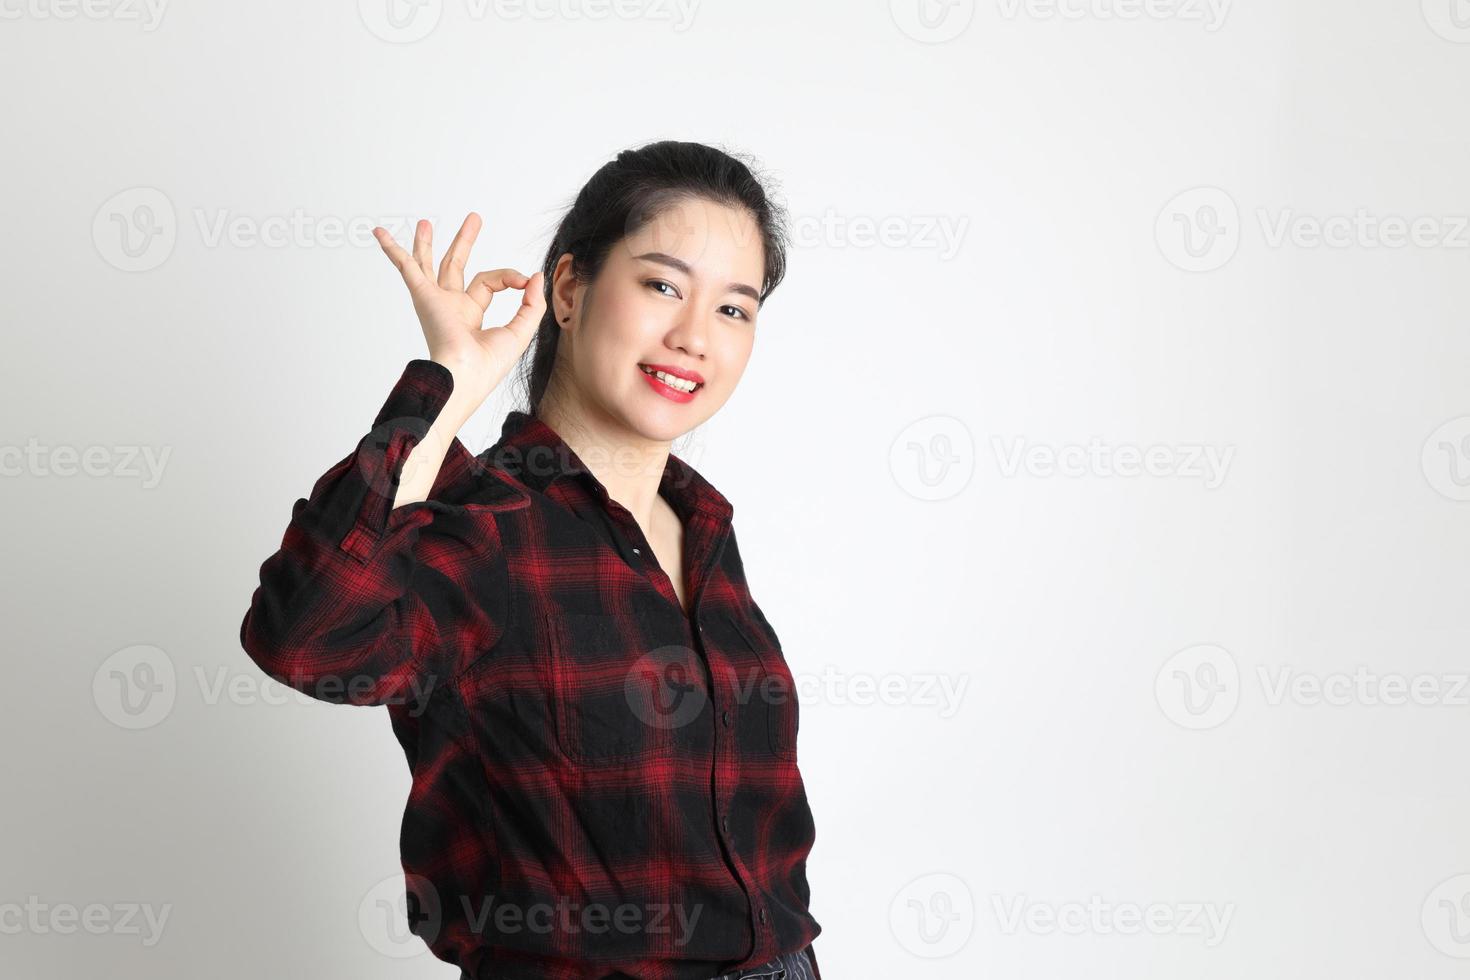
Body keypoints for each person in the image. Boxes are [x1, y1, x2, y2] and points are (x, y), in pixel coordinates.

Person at [239, 140, 823, 980]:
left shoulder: (701, 525)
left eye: (734, 308)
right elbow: (308, 642)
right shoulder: (483, 523)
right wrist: (449, 385)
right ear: (570, 289)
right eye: (662, 285)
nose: (695, 336)